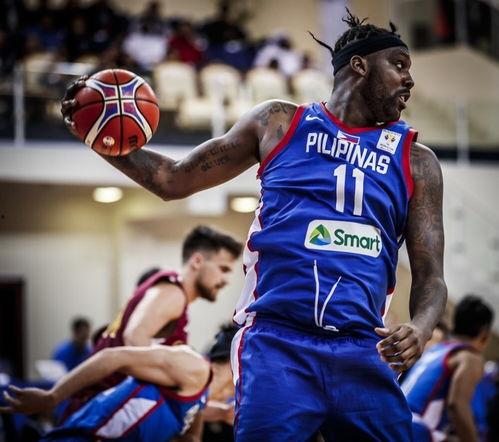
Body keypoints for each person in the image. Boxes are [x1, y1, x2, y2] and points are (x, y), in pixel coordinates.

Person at [61, 9, 447, 441]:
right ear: (359, 65)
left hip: (362, 345)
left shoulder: (417, 161)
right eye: (399, 65)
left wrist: (421, 327)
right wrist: (96, 133)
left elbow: (431, 276)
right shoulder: (278, 123)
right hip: (276, 343)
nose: (409, 80)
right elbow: (172, 179)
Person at [65, 225, 242, 418]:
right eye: (223, 269)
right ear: (197, 261)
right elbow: (134, 338)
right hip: (97, 413)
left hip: (108, 411)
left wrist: (221, 412)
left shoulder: (174, 299)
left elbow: (172, 399)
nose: (226, 280)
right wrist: (179, 379)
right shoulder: (173, 294)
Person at [1, 344, 211, 441]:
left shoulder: (202, 394)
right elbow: (113, 356)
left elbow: (192, 435)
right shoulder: (193, 367)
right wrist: (52, 396)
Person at [401, 295, 494, 442]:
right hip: (412, 430)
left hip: (395, 416)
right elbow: (457, 406)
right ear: (484, 334)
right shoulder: (470, 357)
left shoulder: (437, 348)